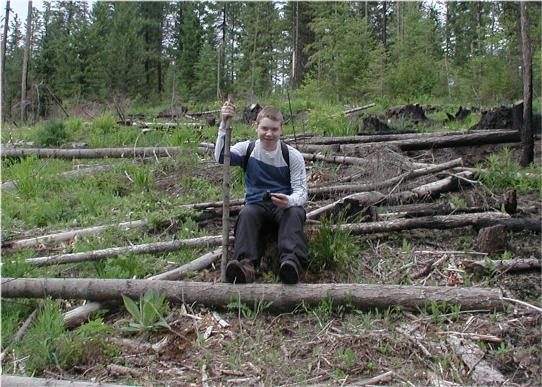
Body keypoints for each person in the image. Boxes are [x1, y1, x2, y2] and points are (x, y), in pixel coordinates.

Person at [215, 100, 308, 284]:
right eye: (265, 128)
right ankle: (246, 266)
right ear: (256, 127)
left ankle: (291, 264)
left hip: (283, 208)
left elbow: (301, 192)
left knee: (295, 212)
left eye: (274, 129)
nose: (269, 134)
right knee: (246, 213)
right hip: (256, 207)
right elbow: (220, 156)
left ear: (281, 129)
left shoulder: (292, 155)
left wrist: (289, 201)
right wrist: (224, 124)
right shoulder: (247, 149)